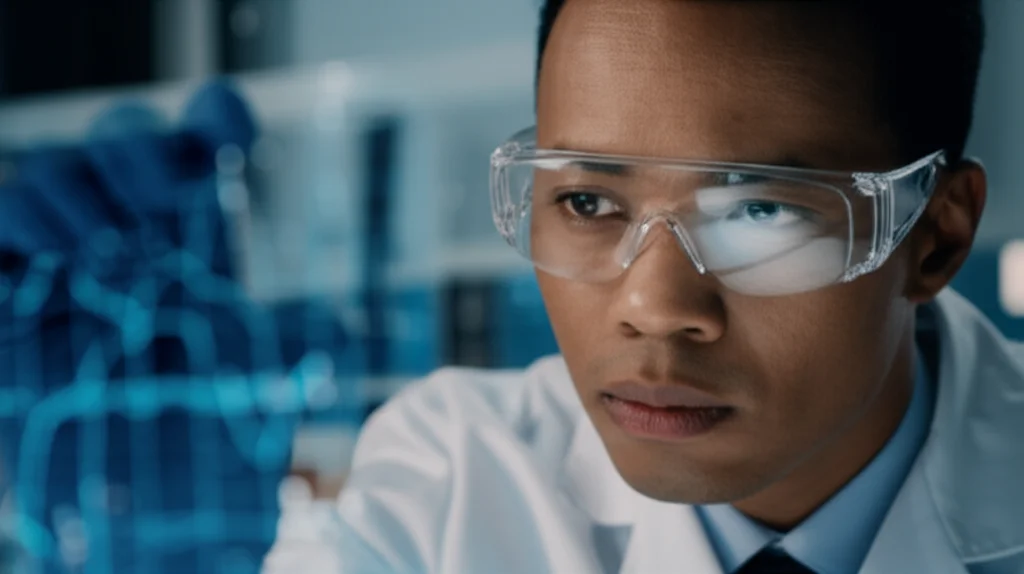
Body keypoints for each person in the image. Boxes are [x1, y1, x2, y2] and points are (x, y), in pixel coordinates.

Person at [266, 1, 1024, 573]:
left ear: (935, 238)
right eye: (588, 203)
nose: (654, 309)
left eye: (761, 211)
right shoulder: (447, 488)